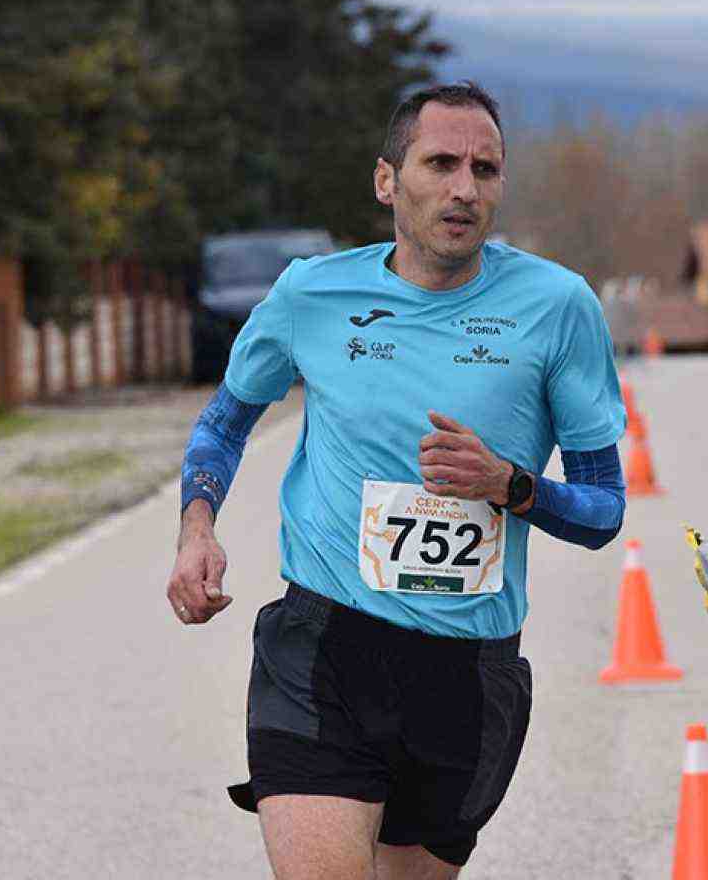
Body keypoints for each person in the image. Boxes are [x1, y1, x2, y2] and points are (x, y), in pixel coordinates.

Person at [167, 81, 628, 879]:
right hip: (323, 647)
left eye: (485, 169)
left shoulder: (558, 307)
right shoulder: (312, 295)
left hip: (467, 671)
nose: (464, 188)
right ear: (388, 180)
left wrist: (512, 486)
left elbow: (604, 508)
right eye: (441, 162)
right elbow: (224, 422)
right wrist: (196, 527)